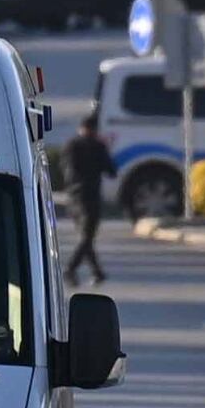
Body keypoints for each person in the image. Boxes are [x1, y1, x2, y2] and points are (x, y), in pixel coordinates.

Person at [61, 115, 113, 287]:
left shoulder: (71, 145)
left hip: (74, 197)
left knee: (86, 237)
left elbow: (66, 171)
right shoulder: (98, 146)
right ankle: (71, 268)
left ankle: (98, 272)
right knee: (87, 237)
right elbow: (112, 170)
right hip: (90, 198)